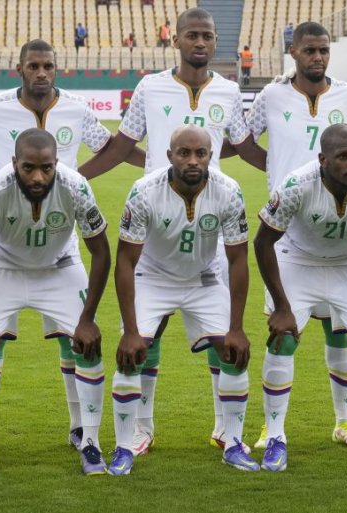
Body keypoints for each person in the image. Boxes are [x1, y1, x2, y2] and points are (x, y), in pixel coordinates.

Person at [0, 40, 143, 457]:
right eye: (34, 66)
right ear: (20, 69)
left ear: (56, 69)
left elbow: (110, 147)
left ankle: (82, 429)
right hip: (3, 244)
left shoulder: (77, 109)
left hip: (60, 248)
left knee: (76, 340)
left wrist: (73, 178)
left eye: (48, 66)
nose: (41, 73)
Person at [80, 7, 265, 455]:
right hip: (155, 219)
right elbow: (122, 146)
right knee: (149, 331)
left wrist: (301, 174)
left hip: (210, 223)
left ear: (214, 41)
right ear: (176, 40)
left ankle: (225, 429)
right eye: (192, 35)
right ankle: (141, 429)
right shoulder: (150, 86)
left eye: (207, 36)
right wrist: (74, 181)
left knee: (222, 334)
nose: (200, 43)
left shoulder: (229, 90)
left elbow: (243, 148)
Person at [245, 20, 347, 452]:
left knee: (340, 332)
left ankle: (345, 421)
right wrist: (275, 168)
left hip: (344, 223)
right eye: (309, 50)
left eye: (323, 50)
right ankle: (271, 429)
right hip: (291, 224)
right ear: (294, 52)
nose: (317, 57)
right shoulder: (271, 95)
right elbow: (241, 138)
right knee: (285, 331)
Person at [0, 128, 111, 477]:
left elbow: (101, 252)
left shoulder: (76, 186)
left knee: (87, 347)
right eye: (28, 168)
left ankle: (89, 439)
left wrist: (87, 319)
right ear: (15, 163)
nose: (38, 177)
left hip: (59, 266)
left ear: (57, 163)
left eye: (46, 167)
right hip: (2, 265)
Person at [108, 125, 257, 475]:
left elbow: (238, 260)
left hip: (204, 277)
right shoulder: (144, 191)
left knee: (233, 353)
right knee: (131, 356)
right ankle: (127, 442)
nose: (192, 160)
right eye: (184, 153)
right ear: (169, 156)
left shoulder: (228, 191)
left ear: (210, 156)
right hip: (152, 277)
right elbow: (125, 262)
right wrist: (131, 330)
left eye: (200, 153)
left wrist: (236, 328)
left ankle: (232, 441)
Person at [254, 124, 347, 471]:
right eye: (344, 157)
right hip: (296, 257)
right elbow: (263, 242)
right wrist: (281, 306)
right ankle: (275, 438)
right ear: (323, 160)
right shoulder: (296, 184)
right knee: (284, 337)